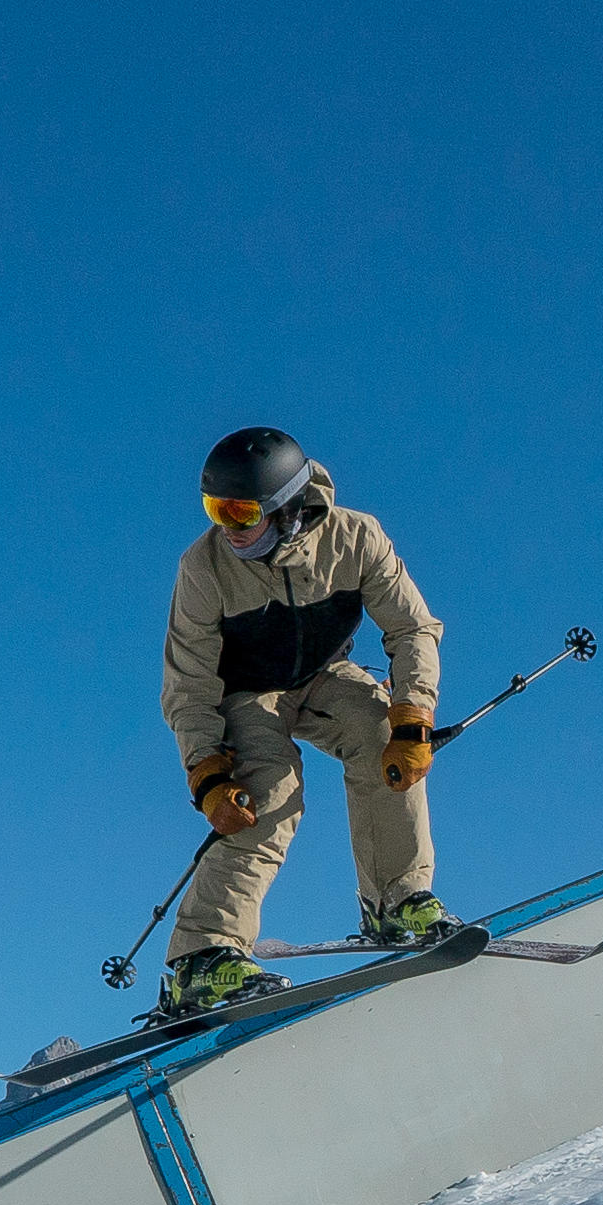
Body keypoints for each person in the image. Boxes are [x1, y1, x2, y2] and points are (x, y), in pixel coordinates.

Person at [157, 427, 446, 1017]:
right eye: (216, 510)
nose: (228, 527)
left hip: (323, 674)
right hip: (247, 694)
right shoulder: (204, 567)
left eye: (240, 511)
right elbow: (188, 682)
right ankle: (203, 956)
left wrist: (413, 715)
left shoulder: (355, 538)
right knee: (267, 794)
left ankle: (397, 900)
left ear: (287, 507)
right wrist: (207, 772)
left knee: (380, 736)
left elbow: (413, 628)